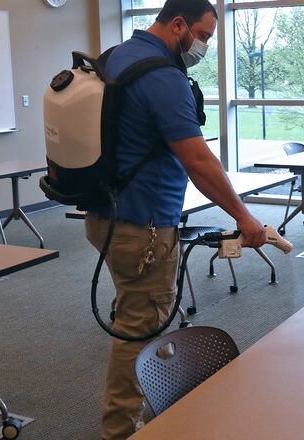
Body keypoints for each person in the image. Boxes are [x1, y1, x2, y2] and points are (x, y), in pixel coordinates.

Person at [84, 1, 267, 439]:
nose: (203, 46)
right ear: (179, 24)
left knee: (134, 310)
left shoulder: (117, 57)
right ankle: (122, 430)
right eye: (202, 36)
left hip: (105, 217)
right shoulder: (162, 77)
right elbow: (199, 162)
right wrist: (244, 217)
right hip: (141, 228)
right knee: (138, 330)